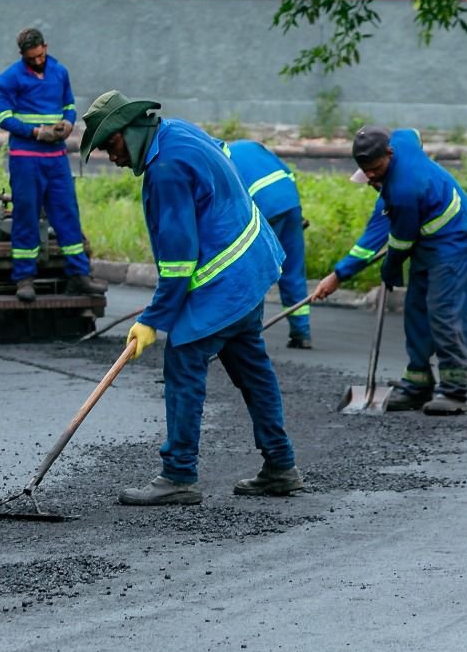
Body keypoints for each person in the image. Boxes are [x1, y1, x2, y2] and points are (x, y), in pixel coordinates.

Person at [80, 90, 302, 505]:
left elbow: (180, 259)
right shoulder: (178, 131)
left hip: (223, 283)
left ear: (130, 130)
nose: (111, 157)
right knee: (252, 368)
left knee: (183, 365)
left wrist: (154, 319)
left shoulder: (165, 171)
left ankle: (179, 475)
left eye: (111, 145)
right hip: (252, 266)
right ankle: (281, 465)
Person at [311, 126, 467, 415]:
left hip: (453, 244)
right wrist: (338, 275)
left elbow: (400, 241)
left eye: (375, 169)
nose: (370, 177)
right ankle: (417, 383)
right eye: (365, 171)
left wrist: (390, 267)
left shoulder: (403, 191)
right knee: (416, 312)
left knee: (444, 314)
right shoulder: (400, 145)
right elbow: (413, 132)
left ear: (389, 154)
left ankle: (455, 391)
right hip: (427, 245)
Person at [0, 27, 105, 301]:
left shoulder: (60, 72)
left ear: (46, 46)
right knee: (26, 216)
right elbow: (2, 116)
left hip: (55, 159)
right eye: (33, 58)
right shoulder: (8, 79)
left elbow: (69, 104)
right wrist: (35, 132)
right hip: (26, 159)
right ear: (23, 56)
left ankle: (79, 274)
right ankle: (24, 279)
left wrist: (68, 122)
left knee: (67, 214)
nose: (39, 61)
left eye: (41, 55)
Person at [226, 140, 312, 348]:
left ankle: (246, 334)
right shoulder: (251, 146)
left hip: (261, 207)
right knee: (292, 269)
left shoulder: (217, 158)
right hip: (289, 202)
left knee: (253, 272)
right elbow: (286, 172)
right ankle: (302, 332)